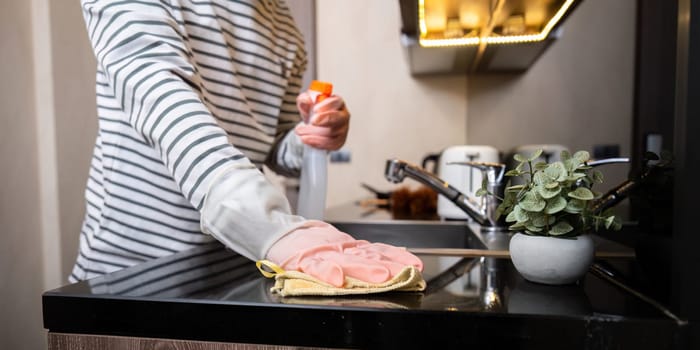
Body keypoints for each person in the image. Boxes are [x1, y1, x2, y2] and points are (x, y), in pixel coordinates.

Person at [71, 0, 422, 287]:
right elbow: (163, 101)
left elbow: (273, 147)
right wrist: (268, 225)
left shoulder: (282, 23)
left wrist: (310, 138)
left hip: (231, 262)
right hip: (130, 271)